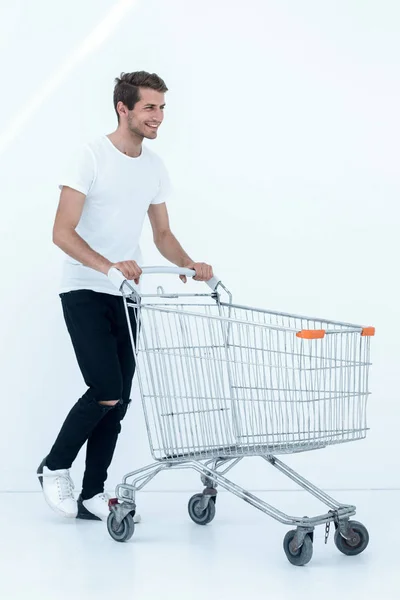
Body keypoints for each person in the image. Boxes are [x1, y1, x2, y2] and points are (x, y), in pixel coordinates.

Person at [37, 71, 213, 522]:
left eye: (162, 108)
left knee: (119, 401)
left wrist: (191, 266)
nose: (159, 117)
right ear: (124, 108)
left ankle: (92, 493)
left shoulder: (153, 166)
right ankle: (55, 465)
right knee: (105, 389)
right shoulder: (90, 157)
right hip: (85, 288)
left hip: (126, 294)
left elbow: (163, 233)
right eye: (150, 107)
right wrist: (109, 267)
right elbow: (61, 232)